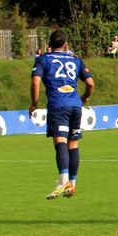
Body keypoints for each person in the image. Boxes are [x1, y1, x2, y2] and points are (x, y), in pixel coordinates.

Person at [30, 29, 95, 199]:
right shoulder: (76, 59)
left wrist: (34, 103)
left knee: (60, 142)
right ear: (67, 45)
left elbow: (35, 81)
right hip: (75, 105)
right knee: (73, 144)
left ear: (49, 45)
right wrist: (84, 98)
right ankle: (72, 185)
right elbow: (90, 83)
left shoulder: (43, 59)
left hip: (58, 105)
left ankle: (62, 181)